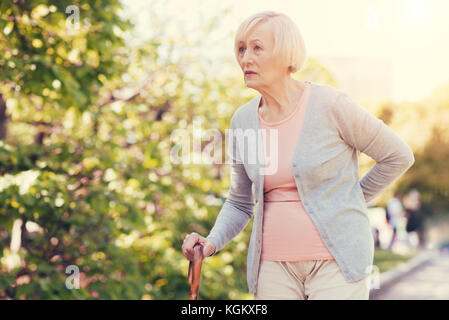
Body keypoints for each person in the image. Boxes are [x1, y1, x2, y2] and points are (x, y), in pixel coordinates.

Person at [182, 11, 415, 300]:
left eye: (257, 48)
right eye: (241, 49)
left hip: (337, 264)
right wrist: (211, 242)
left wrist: (351, 200)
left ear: (285, 53)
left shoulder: (330, 105)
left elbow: (397, 155)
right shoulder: (243, 120)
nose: (245, 58)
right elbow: (240, 202)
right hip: (273, 269)